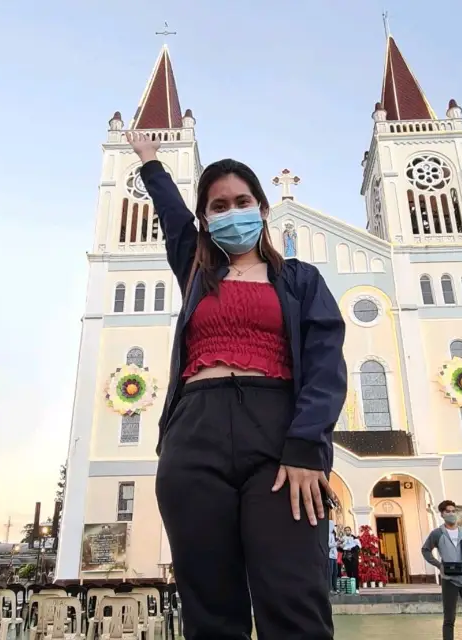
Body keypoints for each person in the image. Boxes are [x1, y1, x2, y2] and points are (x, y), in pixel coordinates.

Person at [127, 132, 347, 640]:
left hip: (279, 438)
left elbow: (324, 364)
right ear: (206, 219)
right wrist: (150, 161)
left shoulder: (298, 280)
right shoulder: (196, 271)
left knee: (293, 601)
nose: (232, 213)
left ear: (262, 209)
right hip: (194, 436)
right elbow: (170, 213)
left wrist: (306, 447)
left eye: (242, 202)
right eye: (218, 205)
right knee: (211, 610)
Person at [422, 500, 462, 640]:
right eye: (447, 511)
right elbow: (425, 550)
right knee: (449, 619)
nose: (451, 514)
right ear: (442, 514)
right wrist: (439, 565)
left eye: (453, 511)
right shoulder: (437, 534)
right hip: (449, 580)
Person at [338, 526, 361, 592]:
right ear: (344, 531)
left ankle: (356, 588)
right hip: (346, 558)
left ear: (350, 531)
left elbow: (358, 547)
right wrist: (340, 546)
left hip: (353, 557)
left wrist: (352, 548)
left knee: (355, 573)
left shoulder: (354, 538)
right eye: (346, 530)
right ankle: (351, 588)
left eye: (348, 530)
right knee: (349, 572)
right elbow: (340, 549)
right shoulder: (343, 539)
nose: (347, 531)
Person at [328, 519, 339, 593]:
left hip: (334, 556)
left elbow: (334, 545)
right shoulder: (327, 535)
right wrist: (336, 543)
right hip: (330, 556)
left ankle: (335, 587)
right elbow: (328, 545)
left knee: (335, 572)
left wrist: (339, 544)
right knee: (330, 572)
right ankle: (330, 588)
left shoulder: (332, 535)